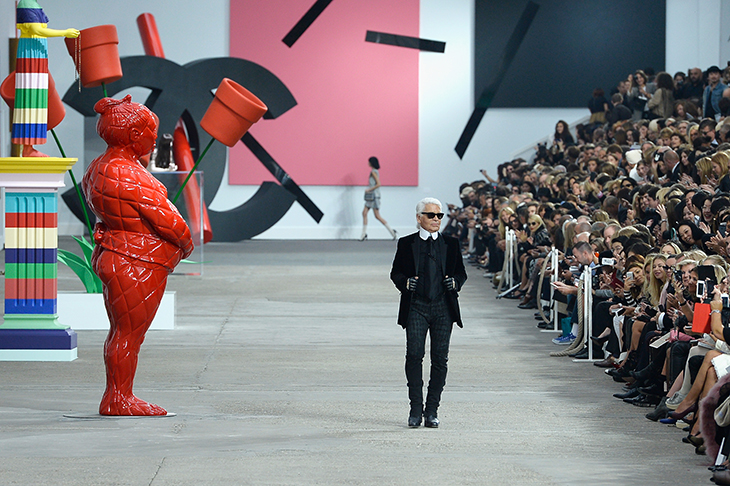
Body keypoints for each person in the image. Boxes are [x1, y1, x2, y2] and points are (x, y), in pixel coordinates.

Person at [82, 96, 194, 415]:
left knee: (121, 332)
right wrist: (186, 245)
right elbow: (169, 221)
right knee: (129, 334)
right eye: (150, 133)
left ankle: (119, 394)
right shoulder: (129, 174)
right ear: (133, 135)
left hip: (115, 254)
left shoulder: (98, 167)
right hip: (136, 260)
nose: (154, 139)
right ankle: (119, 398)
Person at [390, 197, 467, 428]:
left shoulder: (451, 244)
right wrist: (405, 283)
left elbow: (461, 273)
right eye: (431, 215)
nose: (436, 219)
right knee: (414, 355)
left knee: (440, 359)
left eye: (439, 215)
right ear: (419, 218)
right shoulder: (406, 244)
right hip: (416, 306)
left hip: (444, 307)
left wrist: (455, 282)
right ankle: (415, 408)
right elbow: (395, 273)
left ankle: (432, 410)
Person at [12, 0, 78, 154]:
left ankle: (30, 146)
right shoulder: (26, 3)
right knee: (29, 99)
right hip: (30, 55)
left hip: (37, 55)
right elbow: (37, 30)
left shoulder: (32, 4)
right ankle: (27, 148)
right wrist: (65, 32)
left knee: (37, 100)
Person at [360, 156, 396, 240]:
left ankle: (392, 232)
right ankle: (363, 234)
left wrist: (369, 189)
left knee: (377, 216)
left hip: (374, 196)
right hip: (371, 197)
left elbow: (378, 184)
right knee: (364, 213)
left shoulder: (373, 172)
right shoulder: (374, 171)